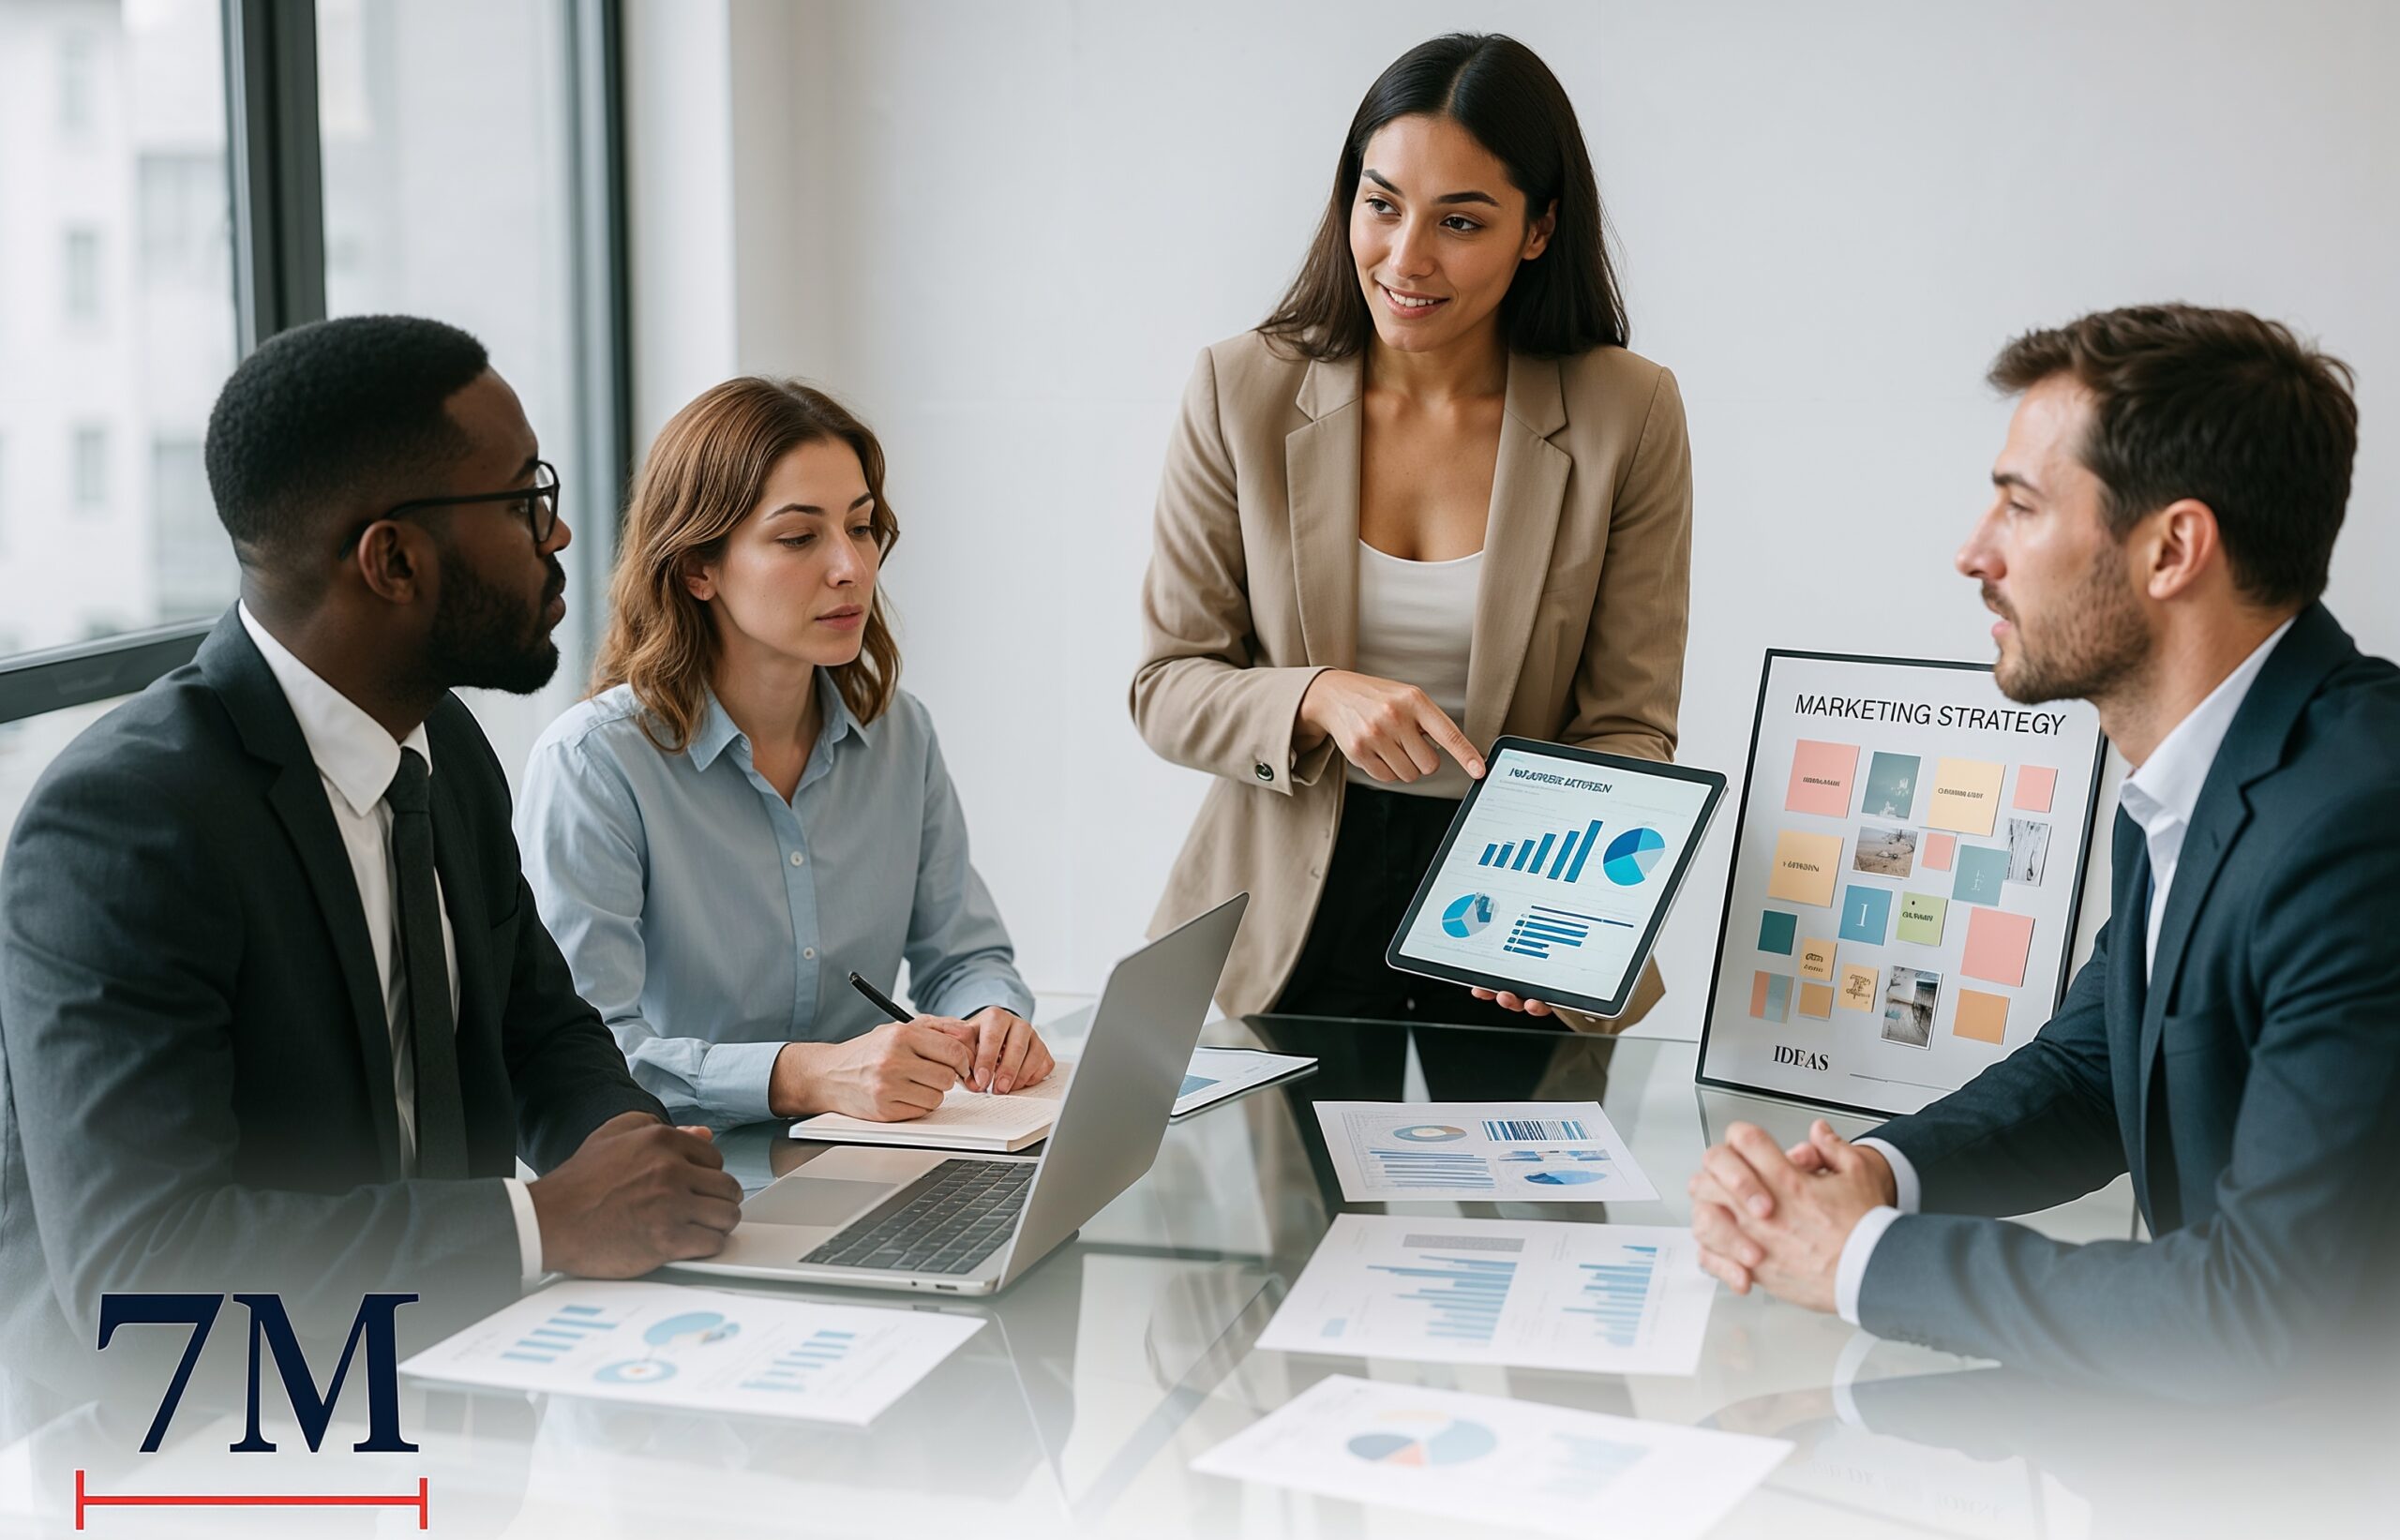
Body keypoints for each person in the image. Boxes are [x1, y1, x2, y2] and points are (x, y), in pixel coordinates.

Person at [0, 315, 743, 1363]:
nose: (559, 534)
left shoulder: (440, 740)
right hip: (203, 1457)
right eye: (528, 496)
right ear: (392, 559)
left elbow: (540, 1030)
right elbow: (145, 1271)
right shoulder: (124, 827)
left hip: (454, 1379)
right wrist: (548, 1221)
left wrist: (626, 1150)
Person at [1688, 305, 2400, 1398]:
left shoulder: (2360, 823)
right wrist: (1874, 1177)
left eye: (2019, 506)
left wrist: (1856, 1261)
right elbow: (2093, 1073)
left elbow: (2265, 1311)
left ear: (2171, 550)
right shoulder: (2195, 771)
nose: (1973, 552)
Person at [1132, 33, 1691, 1033]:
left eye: (1460, 222)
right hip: (1284, 917)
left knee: (1516, 1193)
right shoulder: (1240, 391)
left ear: (1538, 229)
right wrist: (1315, 697)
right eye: (1381, 203)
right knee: (1276, 1197)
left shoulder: (1629, 412)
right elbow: (1166, 686)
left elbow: (1628, 722)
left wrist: (1569, 919)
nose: (1405, 258)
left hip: (1517, 912)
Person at [517, 378, 1053, 1127]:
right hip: (686, 1183)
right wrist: (803, 1076)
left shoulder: (902, 736)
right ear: (697, 568)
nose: (851, 567)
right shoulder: (594, 765)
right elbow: (585, 1053)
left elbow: (964, 958)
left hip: (871, 1157)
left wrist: (993, 1021)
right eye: (800, 538)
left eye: (862, 528)